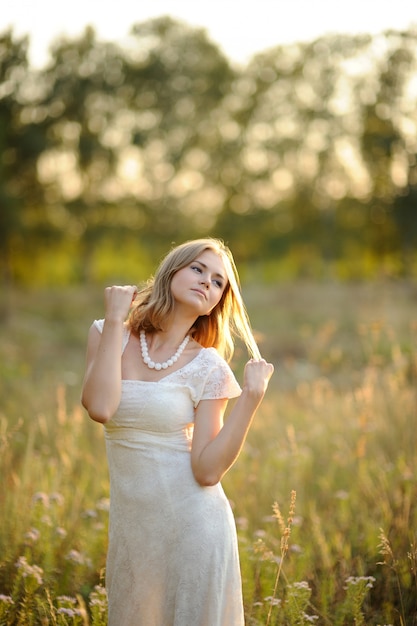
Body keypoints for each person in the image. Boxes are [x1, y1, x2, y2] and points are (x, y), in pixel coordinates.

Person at [81, 238, 274, 626]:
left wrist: (251, 397)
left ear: (219, 300)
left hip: (195, 526)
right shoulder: (108, 332)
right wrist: (118, 319)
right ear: (173, 270)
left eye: (218, 282)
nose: (207, 282)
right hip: (135, 532)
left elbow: (206, 471)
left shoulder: (209, 366)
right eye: (198, 269)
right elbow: (101, 408)